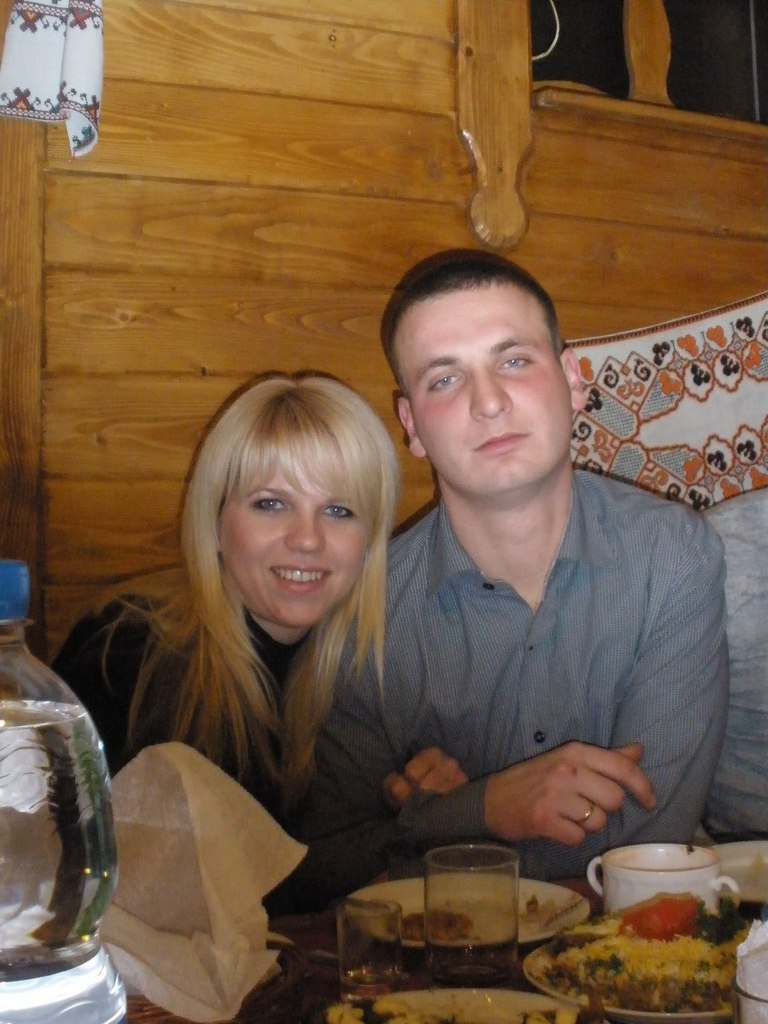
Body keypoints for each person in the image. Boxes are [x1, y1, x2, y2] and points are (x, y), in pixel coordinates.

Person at [296, 249, 730, 904]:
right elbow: (328, 866)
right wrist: (490, 806)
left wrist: (443, 820)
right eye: (445, 379)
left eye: (514, 361)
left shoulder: (673, 558)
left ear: (573, 381)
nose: (489, 402)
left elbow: (650, 845)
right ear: (412, 426)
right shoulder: (364, 613)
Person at [52, 371, 405, 850]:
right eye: (271, 504)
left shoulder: (369, 671)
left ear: (370, 540)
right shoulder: (126, 653)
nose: (307, 539)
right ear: (215, 520)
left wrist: (399, 800)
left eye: (339, 511)